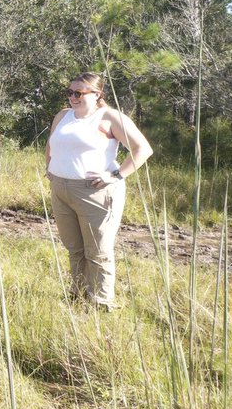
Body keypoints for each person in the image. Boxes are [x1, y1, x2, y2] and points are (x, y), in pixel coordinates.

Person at [46, 72, 153, 310]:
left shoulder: (110, 117)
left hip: (95, 192)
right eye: (70, 92)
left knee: (98, 251)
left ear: (97, 95)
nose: (73, 97)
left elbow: (142, 149)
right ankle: (78, 295)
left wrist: (115, 175)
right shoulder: (63, 116)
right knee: (74, 248)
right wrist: (49, 168)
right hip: (61, 190)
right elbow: (51, 144)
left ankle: (101, 303)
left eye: (79, 93)